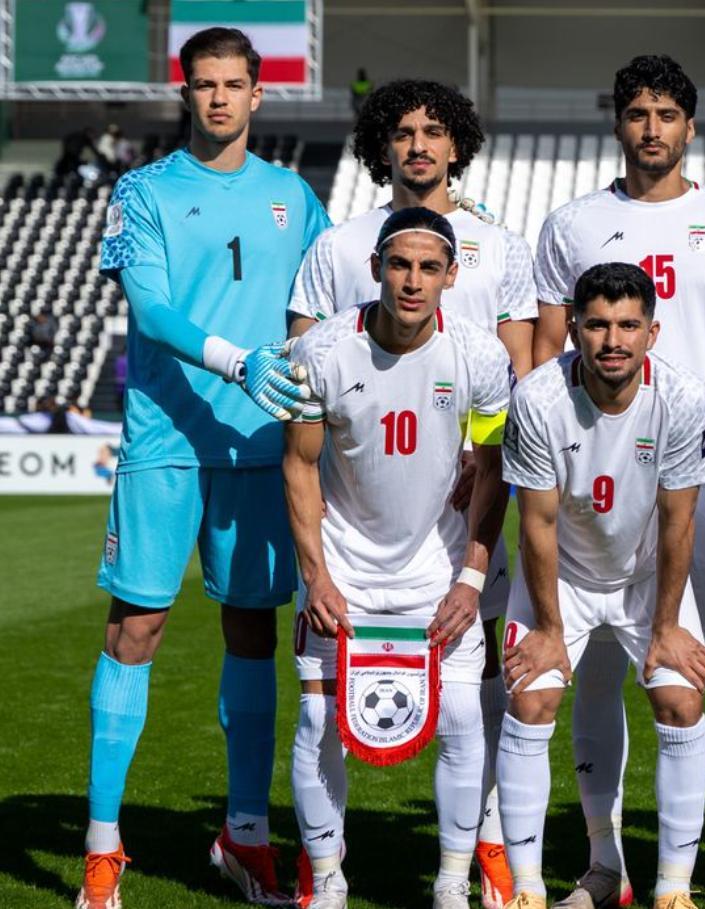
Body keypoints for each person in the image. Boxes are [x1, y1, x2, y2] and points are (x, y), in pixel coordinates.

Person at [78, 26, 329, 909]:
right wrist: (237, 361)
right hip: (165, 439)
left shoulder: (294, 196)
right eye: (204, 84)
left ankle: (245, 835)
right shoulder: (143, 189)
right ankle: (102, 846)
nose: (219, 98)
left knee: (253, 630)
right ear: (185, 93)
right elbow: (149, 309)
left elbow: (329, 301)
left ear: (258, 95)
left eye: (233, 84)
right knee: (136, 627)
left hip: (261, 443)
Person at [530, 54, 705, 908]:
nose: (651, 128)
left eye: (667, 114)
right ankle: (606, 862)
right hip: (595, 467)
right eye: (637, 113)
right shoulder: (573, 223)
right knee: (597, 665)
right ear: (617, 123)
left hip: (704, 470)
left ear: (690, 127)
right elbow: (549, 348)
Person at [288, 78, 538, 906]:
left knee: (465, 717)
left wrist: (470, 575)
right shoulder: (326, 342)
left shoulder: (479, 349)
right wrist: (316, 572)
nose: (413, 279)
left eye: (429, 267)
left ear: (450, 273)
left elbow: (496, 457)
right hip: (346, 561)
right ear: (375, 266)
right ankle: (326, 876)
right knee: (318, 719)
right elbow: (298, 457)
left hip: (440, 560)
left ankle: (455, 878)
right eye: (400, 264)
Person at [497, 262, 705, 909]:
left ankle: (673, 889)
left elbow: (679, 521)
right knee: (531, 699)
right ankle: (529, 889)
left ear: (653, 332)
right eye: (597, 324)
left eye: (628, 325)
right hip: (561, 574)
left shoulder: (683, 397)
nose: (613, 340)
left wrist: (667, 626)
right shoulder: (537, 399)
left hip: (646, 575)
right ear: (573, 328)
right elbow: (536, 523)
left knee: (681, 700)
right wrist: (548, 628)